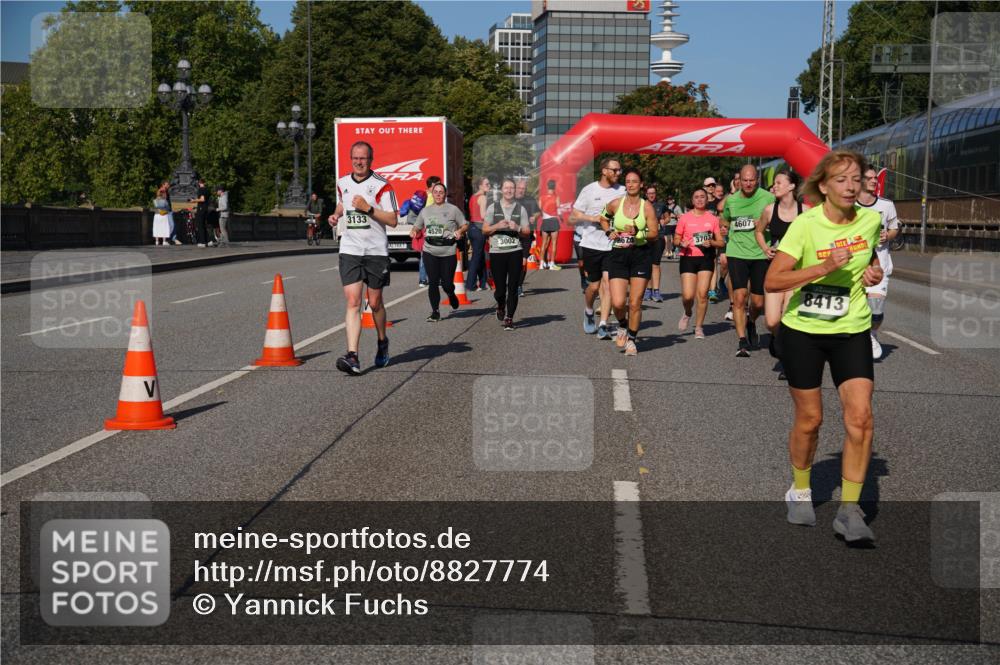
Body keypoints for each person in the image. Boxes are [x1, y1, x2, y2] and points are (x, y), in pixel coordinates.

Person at [764, 149, 883, 544]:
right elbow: (775, 281)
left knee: (861, 417)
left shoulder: (870, 221)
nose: (851, 187)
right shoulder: (805, 225)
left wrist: (872, 272)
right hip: (804, 332)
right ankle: (800, 489)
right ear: (824, 186)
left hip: (850, 328)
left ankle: (849, 510)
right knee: (811, 419)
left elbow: (868, 262)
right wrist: (824, 267)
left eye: (857, 179)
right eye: (842, 180)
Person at [328, 141, 399, 374]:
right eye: (355, 158)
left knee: (375, 303)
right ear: (351, 159)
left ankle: (382, 341)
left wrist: (368, 209)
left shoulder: (382, 186)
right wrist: (336, 215)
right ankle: (353, 356)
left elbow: (392, 220)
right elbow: (343, 203)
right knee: (353, 302)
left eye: (364, 158)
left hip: (375, 251)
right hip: (350, 249)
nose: (359, 162)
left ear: (371, 160)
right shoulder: (343, 183)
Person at [600, 168, 658, 356]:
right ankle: (623, 324)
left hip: (640, 255)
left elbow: (654, 233)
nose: (631, 184)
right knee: (618, 303)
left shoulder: (646, 207)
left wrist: (638, 233)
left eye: (635, 181)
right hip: (618, 255)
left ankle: (632, 340)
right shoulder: (616, 204)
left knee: (635, 302)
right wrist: (609, 231)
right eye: (628, 181)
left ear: (641, 185)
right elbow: (603, 218)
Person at [721, 164, 775, 357]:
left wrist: (762, 225)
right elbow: (725, 219)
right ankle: (742, 341)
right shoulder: (732, 200)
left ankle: (751, 321)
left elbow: (778, 221)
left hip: (761, 253)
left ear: (757, 180)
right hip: (737, 252)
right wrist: (724, 229)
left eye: (752, 180)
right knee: (740, 297)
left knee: (758, 303)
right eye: (745, 180)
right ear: (739, 181)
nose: (748, 183)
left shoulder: (768, 198)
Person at [755, 169, 803, 375]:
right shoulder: (769, 210)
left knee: (787, 317)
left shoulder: (806, 211)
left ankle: (787, 359)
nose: (774, 186)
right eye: (774, 183)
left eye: (778, 183)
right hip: (774, 270)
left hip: (796, 272)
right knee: (772, 321)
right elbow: (758, 230)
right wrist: (765, 248)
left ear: (792, 186)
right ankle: (778, 338)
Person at [570, 158, 624, 339]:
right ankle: (588, 310)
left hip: (612, 244)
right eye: (614, 170)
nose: (618, 173)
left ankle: (603, 324)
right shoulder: (589, 190)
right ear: (604, 170)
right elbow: (573, 215)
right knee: (593, 286)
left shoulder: (622, 191)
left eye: (619, 171)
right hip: (592, 244)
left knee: (608, 284)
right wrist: (594, 219)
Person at [858, 165, 900, 360]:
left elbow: (894, 228)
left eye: (876, 178)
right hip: (854, 267)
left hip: (879, 266)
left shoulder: (886, 205)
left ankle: (872, 334)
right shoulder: (849, 205)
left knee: (876, 312)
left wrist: (888, 235)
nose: (874, 181)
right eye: (870, 178)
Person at [411, 182, 467, 321]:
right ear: (432, 193)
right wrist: (414, 231)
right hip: (430, 250)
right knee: (433, 282)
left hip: (448, 250)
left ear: (445, 194)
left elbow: (465, 224)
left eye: (441, 192)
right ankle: (435, 312)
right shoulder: (425, 211)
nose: (438, 194)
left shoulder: (453, 209)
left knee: (447, 284)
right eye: (435, 192)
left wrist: (460, 231)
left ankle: (451, 294)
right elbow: (417, 226)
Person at [674, 188, 725, 339]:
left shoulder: (713, 218)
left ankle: (699, 327)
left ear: (707, 199)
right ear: (692, 200)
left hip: (706, 258)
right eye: (696, 197)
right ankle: (688, 312)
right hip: (688, 257)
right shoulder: (685, 218)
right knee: (688, 296)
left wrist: (712, 242)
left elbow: (721, 242)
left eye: (703, 197)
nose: (700, 199)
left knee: (702, 295)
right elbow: (676, 239)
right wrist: (680, 243)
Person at [482, 179, 530, 330]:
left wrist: (518, 227)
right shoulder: (492, 208)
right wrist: (496, 226)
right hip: (497, 253)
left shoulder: (521, 209)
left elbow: (528, 232)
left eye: (512, 188)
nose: (509, 190)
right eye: (506, 187)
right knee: (500, 290)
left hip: (515, 252)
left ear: (515, 190)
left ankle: (509, 318)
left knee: (513, 286)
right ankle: (501, 305)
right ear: (502, 189)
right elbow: (484, 230)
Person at [515, 178, 542, 297]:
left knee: (523, 262)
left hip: (526, 234)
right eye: (520, 188)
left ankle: (519, 285)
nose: (522, 191)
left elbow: (538, 212)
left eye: (524, 189)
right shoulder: (509, 199)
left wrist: (534, 217)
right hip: (512, 235)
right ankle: (512, 283)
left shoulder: (530, 200)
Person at [643, 185, 668, 303]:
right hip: (646, 238)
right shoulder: (642, 204)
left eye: (653, 193)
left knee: (655, 264)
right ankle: (648, 290)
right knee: (647, 264)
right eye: (649, 193)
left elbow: (668, 216)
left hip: (659, 237)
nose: (651, 195)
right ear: (646, 194)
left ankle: (656, 291)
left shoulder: (661, 205)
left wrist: (664, 221)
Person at [465, 177, 491, 292]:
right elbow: (483, 215)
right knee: (477, 257)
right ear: (480, 186)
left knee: (479, 256)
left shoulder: (472, 197)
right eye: (486, 184)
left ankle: (483, 282)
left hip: (471, 228)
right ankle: (470, 284)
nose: (488, 186)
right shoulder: (483, 197)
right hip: (479, 229)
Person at [400, 190, 429, 285]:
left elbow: (409, 219)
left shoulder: (414, 203)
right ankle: (423, 279)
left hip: (423, 232)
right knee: (425, 256)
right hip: (423, 232)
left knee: (426, 256)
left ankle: (424, 279)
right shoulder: (424, 199)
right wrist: (421, 225)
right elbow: (411, 219)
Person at [538, 179, 562, 270]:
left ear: (547, 186)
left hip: (545, 221)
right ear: (554, 187)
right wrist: (562, 218)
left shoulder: (541, 197)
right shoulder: (556, 197)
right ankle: (552, 264)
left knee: (544, 243)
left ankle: (541, 264)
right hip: (554, 221)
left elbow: (539, 209)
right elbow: (559, 211)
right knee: (554, 243)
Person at [189, 178, 211, 247]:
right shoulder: (207, 189)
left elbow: (202, 199)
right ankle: (208, 241)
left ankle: (202, 242)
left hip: (201, 209)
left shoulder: (201, 189)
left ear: (199, 183)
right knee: (204, 225)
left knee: (200, 225)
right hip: (205, 209)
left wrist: (194, 200)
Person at [664, 193, 683, 260]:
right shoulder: (665, 207)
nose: (669, 200)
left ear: (673, 200)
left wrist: (674, 216)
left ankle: (674, 250)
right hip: (668, 225)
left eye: (670, 199)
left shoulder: (677, 207)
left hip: (675, 225)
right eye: (668, 199)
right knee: (668, 240)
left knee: (675, 240)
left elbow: (681, 216)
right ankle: (669, 253)